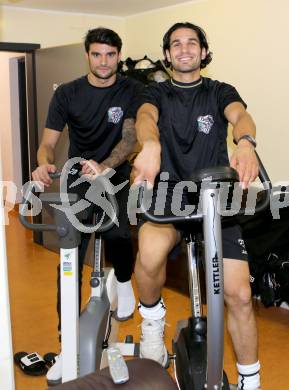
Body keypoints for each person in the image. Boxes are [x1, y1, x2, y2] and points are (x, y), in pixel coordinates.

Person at [133, 22, 261, 390]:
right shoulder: (154, 92)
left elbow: (240, 116)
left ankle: (250, 380)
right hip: (169, 193)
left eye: (192, 43)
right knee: (151, 252)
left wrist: (247, 142)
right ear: (167, 54)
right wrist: (151, 146)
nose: (184, 49)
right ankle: (153, 322)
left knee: (239, 295)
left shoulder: (219, 91)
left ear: (204, 52)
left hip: (214, 197)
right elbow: (145, 120)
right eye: (176, 44)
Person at [32, 27, 143, 384]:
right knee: (69, 256)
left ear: (118, 57)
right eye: (97, 54)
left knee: (117, 229)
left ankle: (123, 279)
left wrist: (106, 167)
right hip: (79, 177)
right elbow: (48, 143)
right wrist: (43, 161)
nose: (104, 61)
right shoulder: (68, 93)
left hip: (115, 173)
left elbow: (131, 138)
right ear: (88, 56)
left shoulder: (131, 90)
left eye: (110, 55)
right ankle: (67, 346)